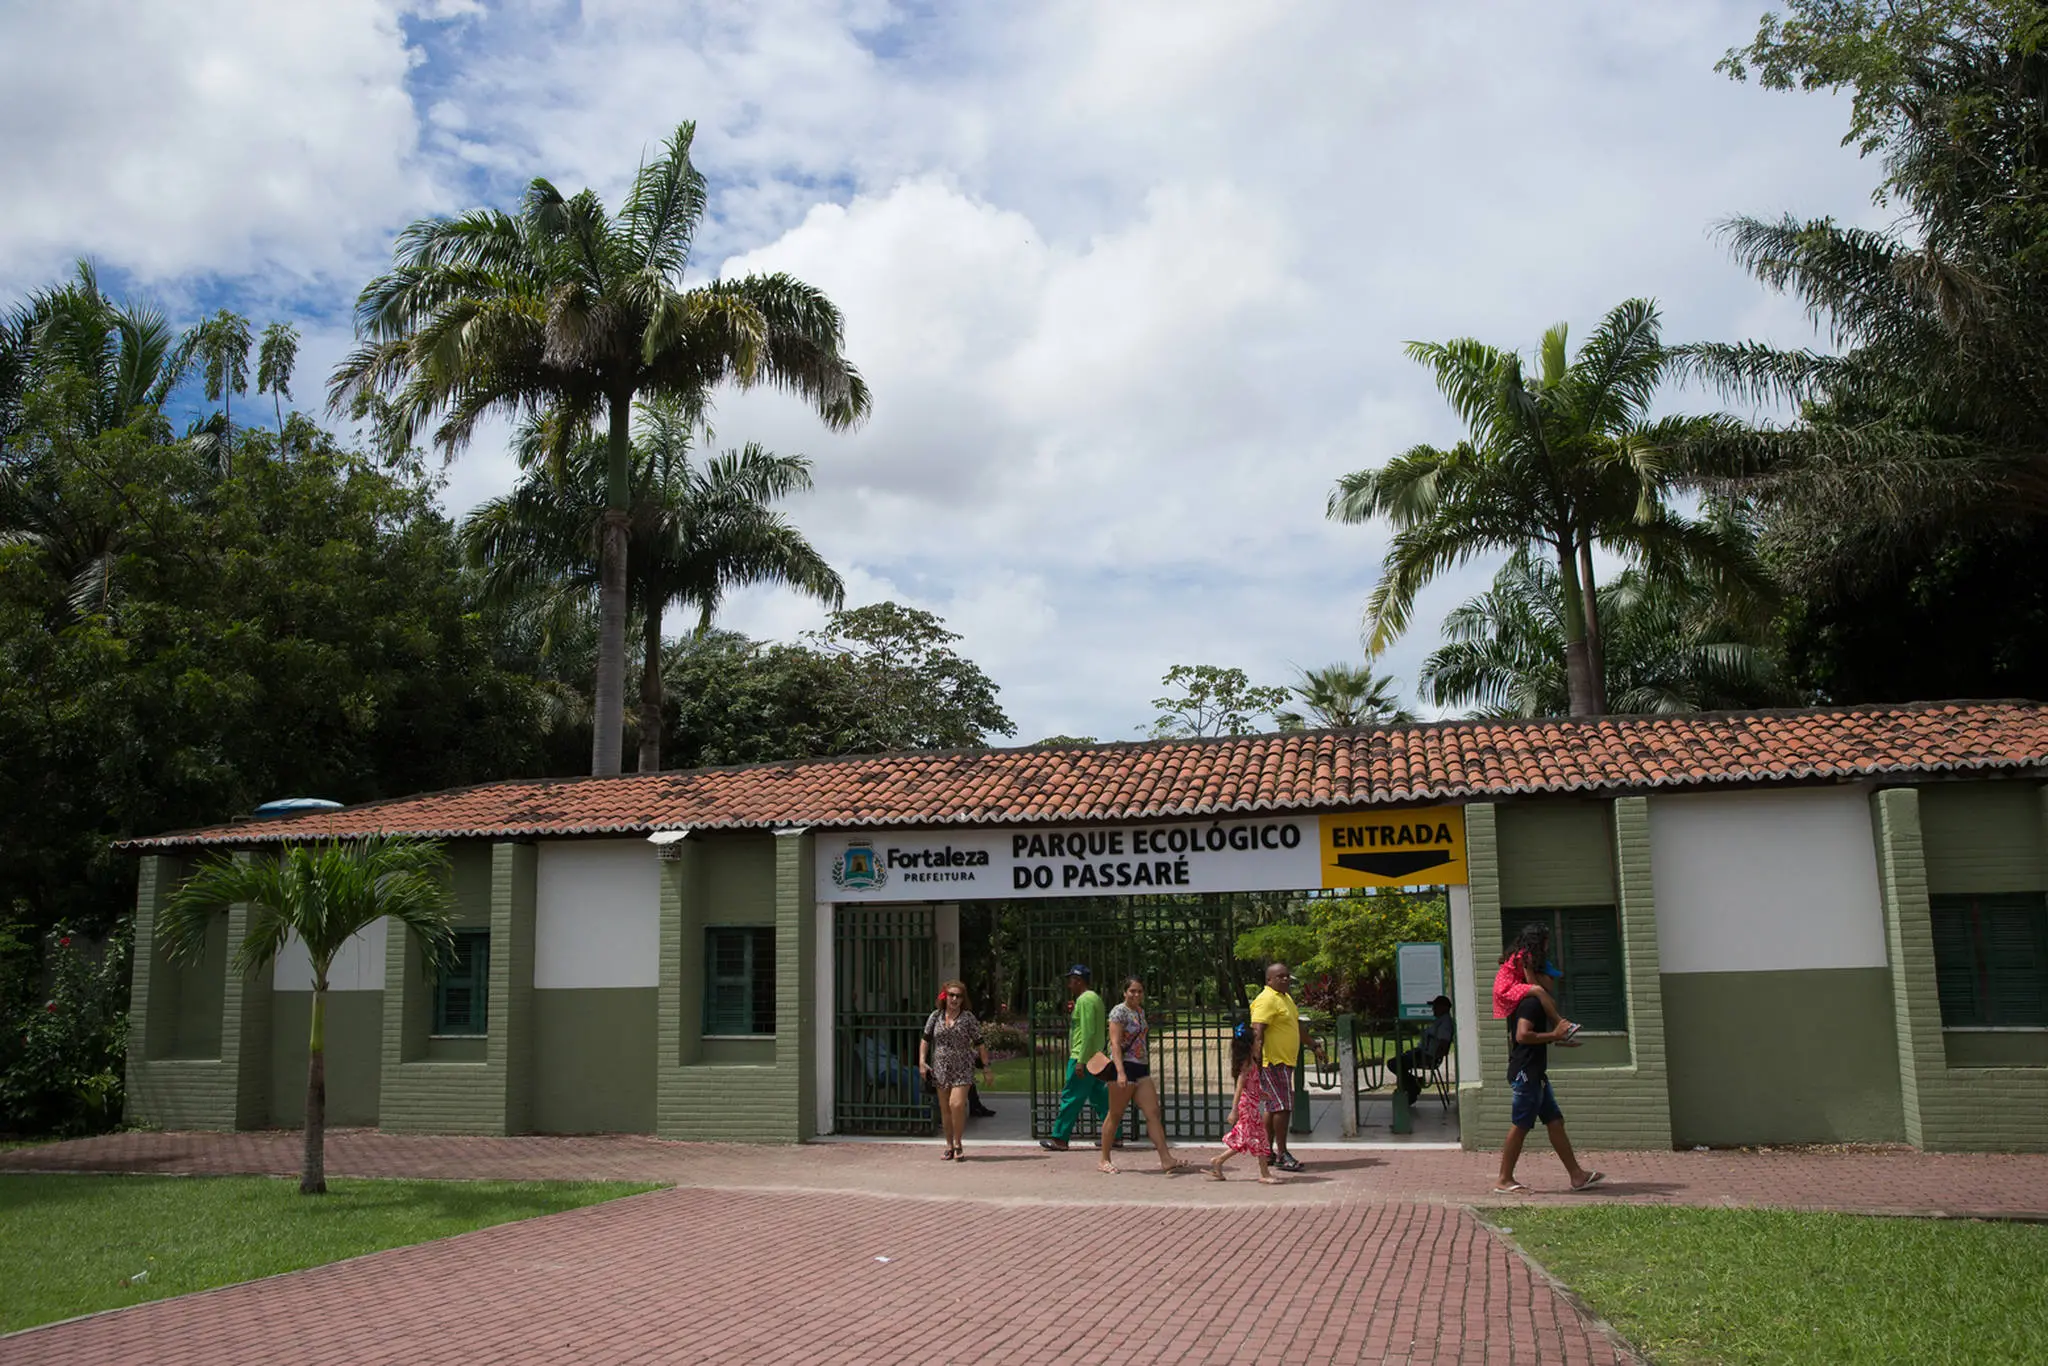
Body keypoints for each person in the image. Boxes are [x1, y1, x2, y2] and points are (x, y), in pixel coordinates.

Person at [1494, 969, 1605, 1194]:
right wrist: (1555, 1035)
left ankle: (1577, 1176)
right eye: (1550, 975)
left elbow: (1533, 1039)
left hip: (1536, 1073)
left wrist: (1559, 1040)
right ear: (1537, 977)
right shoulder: (1531, 1004)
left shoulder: (1538, 1004)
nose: (1554, 979)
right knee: (1521, 1125)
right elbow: (1522, 1035)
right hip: (1526, 1074)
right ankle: (1504, 1180)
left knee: (1555, 1121)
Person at [1098, 975, 1190, 1175]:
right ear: (1124, 992)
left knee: (1153, 1112)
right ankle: (1104, 1159)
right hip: (1123, 1067)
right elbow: (1114, 1043)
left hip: (1141, 1067)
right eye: (1132, 991)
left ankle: (1166, 1158)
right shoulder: (1118, 1012)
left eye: (1139, 991)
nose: (1136, 994)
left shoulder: (1139, 1012)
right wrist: (1120, 1072)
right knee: (1115, 1114)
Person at [1248, 961, 1325, 1173]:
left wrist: (1314, 1045)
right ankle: (1281, 1154)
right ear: (1269, 980)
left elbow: (1296, 1027)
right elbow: (1257, 1031)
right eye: (1280, 976)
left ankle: (1267, 1152)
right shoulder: (1266, 999)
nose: (1285, 979)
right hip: (1272, 1062)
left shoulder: (1285, 998)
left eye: (1287, 976)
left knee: (1273, 1107)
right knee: (1282, 1106)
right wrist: (1256, 1062)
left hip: (1284, 1062)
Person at [919, 979, 993, 1162]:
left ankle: (958, 1142)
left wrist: (986, 1067)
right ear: (945, 996)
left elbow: (980, 1044)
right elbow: (925, 1040)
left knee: (956, 1104)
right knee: (945, 1109)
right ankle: (949, 1145)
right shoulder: (935, 1016)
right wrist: (922, 1061)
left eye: (958, 996)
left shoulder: (968, 1018)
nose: (954, 999)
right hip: (941, 1068)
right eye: (951, 995)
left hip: (963, 1067)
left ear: (962, 999)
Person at [1041, 964, 1109, 1152]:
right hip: (1097, 1056)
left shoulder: (1084, 1000)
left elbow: (1087, 1032)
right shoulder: (1096, 998)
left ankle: (1060, 1138)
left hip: (1083, 1056)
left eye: (1071, 980)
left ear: (1078, 981)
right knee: (1100, 1098)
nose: (1069, 984)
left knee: (1071, 1097)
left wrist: (1080, 1060)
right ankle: (1114, 1135)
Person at [1208, 1021, 1279, 1184]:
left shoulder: (1252, 1063)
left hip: (1251, 1105)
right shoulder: (1247, 1064)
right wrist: (1234, 1110)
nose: (1260, 1043)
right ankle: (1220, 1160)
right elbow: (1240, 1088)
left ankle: (1262, 1171)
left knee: (1258, 1138)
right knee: (1251, 1139)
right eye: (1257, 1041)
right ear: (1249, 1045)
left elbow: (1251, 1086)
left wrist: (1261, 1094)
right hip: (1247, 1107)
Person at [1492, 924, 1581, 1047]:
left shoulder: (1523, 954)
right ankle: (1561, 1023)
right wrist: (1543, 994)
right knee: (1538, 990)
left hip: (1511, 985)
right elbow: (1531, 982)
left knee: (1550, 1001)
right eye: (1546, 941)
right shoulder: (1526, 956)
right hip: (1506, 988)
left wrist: (1547, 999)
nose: (1548, 944)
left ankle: (1562, 1033)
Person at [1393, 994, 1456, 1106]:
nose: (1433, 1009)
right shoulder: (1440, 1021)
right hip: (1423, 1053)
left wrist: (1433, 1058)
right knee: (1397, 1062)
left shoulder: (1444, 1024)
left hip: (1427, 1055)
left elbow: (1443, 1043)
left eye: (1436, 1006)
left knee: (1395, 1063)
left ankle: (1413, 1086)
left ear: (1444, 1008)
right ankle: (1415, 1083)